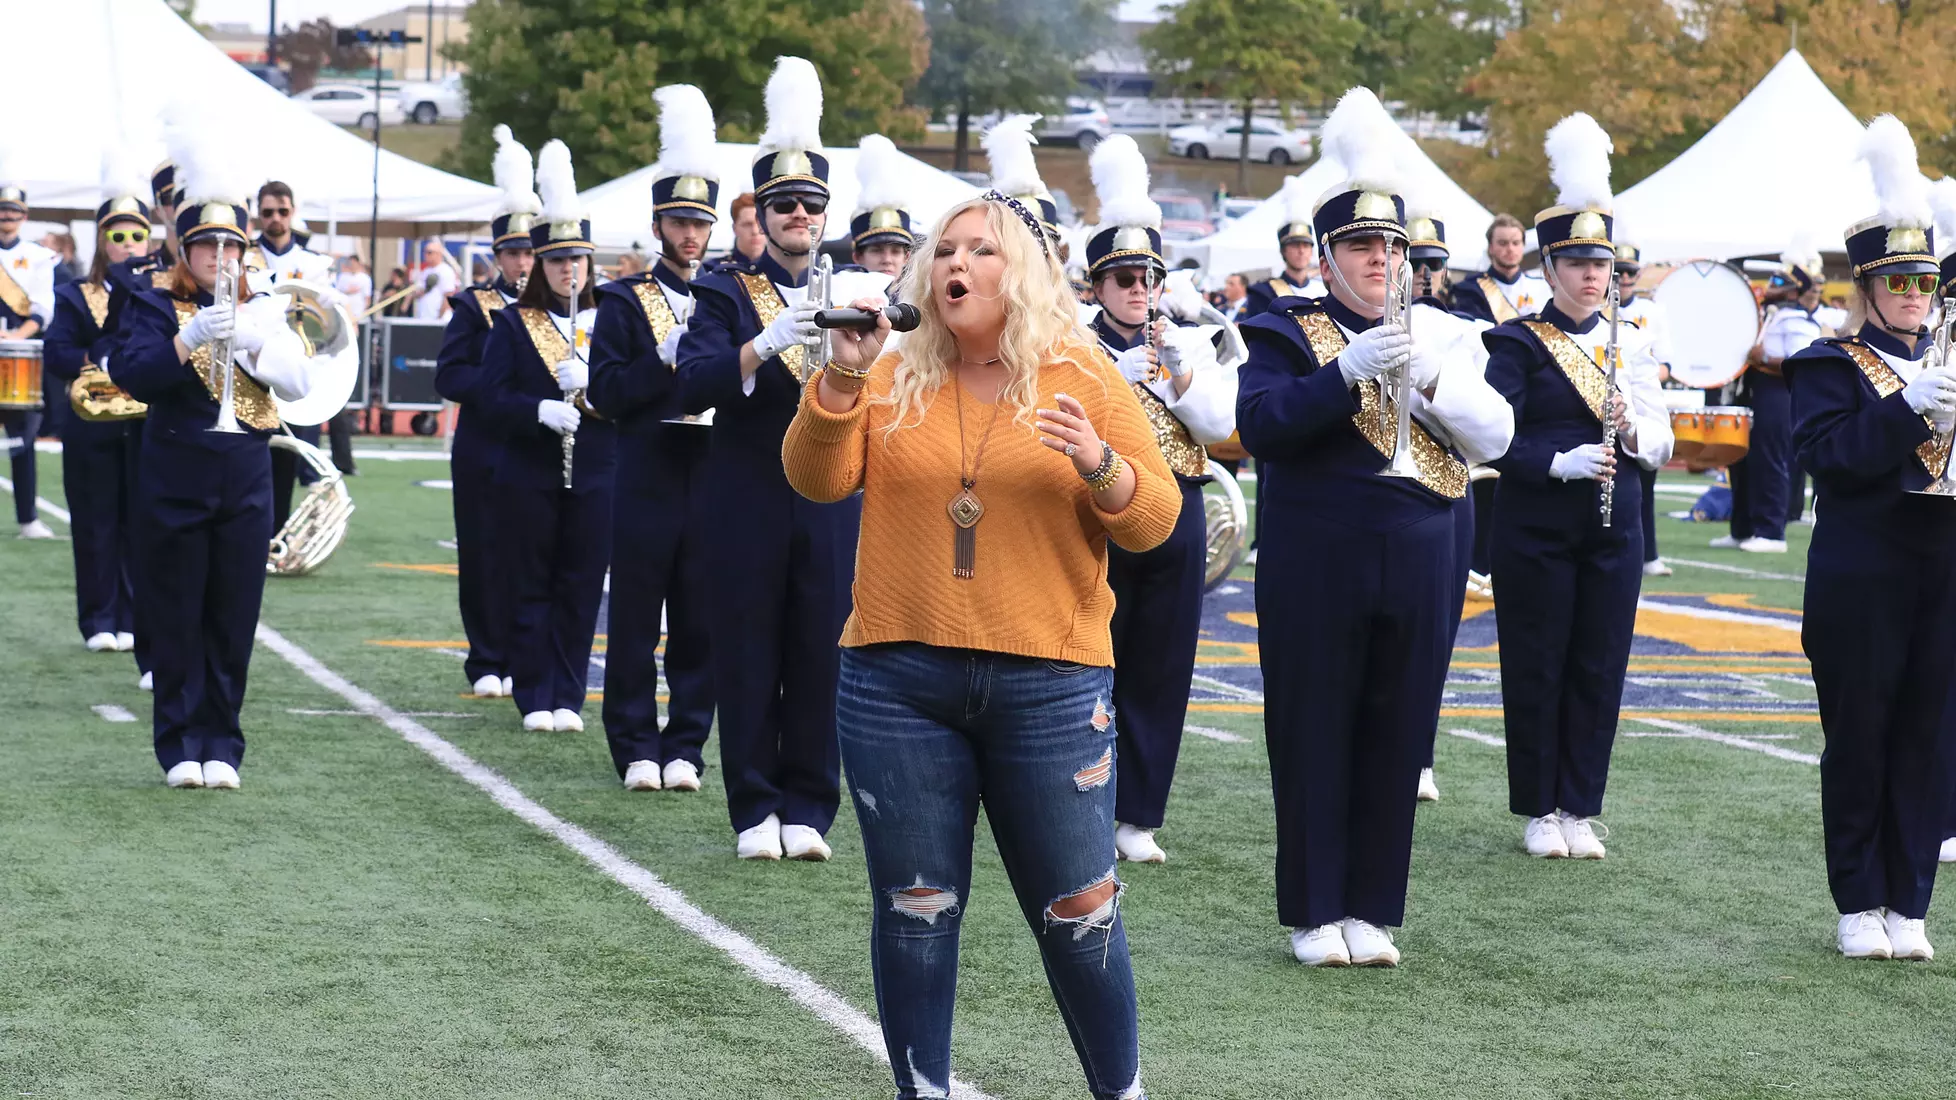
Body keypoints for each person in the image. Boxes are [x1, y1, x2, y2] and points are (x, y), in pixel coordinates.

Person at [782, 188, 1178, 1100]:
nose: (958, 265)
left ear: (1027, 272)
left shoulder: (1084, 373)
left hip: (1050, 683)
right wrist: (840, 377)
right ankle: (921, 1089)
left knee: (1081, 912)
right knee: (917, 911)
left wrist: (1100, 465)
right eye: (947, 251)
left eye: (983, 252)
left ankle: (1121, 1091)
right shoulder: (886, 368)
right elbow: (815, 478)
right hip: (894, 679)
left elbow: (1153, 524)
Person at [1238, 88, 1513, 968]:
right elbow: (1263, 426)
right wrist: (1345, 373)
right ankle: (1316, 911)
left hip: (1426, 552)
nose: (1380, 260)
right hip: (1319, 557)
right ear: (1326, 258)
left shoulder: (1446, 332)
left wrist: (1433, 378)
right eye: (1361, 246)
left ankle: (1372, 908)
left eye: (1392, 246)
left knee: (1400, 730)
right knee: (1317, 724)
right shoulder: (1280, 328)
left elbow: (1498, 434)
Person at [676, 57, 859, 862]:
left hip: (831, 502)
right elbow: (692, 383)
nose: (796, 215)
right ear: (762, 212)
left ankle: (809, 809)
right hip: (746, 494)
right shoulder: (721, 291)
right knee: (748, 650)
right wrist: (766, 342)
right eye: (782, 204)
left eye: (809, 205)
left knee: (823, 653)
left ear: (823, 215)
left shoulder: (853, 287)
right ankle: (754, 807)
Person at [1482, 114, 1673, 863]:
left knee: (1599, 664)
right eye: (1579, 263)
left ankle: (1579, 806)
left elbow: (1661, 444)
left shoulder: (1636, 341)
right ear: (1550, 267)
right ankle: (1538, 807)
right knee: (1537, 662)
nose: (1594, 276)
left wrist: (1628, 430)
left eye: (1602, 264)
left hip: (1613, 527)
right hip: (1534, 528)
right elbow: (1493, 435)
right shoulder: (1517, 342)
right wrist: (1556, 462)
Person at [1787, 116, 1953, 961]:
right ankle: (1859, 899)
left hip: (1944, 568)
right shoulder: (1829, 364)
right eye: (1898, 281)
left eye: (1926, 279)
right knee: (1861, 735)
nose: (1916, 294)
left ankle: (1910, 901)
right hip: (1863, 570)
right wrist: (1912, 404)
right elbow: (1834, 460)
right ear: (1867, 286)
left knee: (1931, 735)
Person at [113, 122, 318, 790]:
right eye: (207, 245)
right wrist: (191, 336)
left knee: (231, 620)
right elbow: (133, 373)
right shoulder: (150, 300)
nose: (220, 255)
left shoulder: (262, 302)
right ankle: (178, 745)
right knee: (176, 618)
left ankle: (222, 744)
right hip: (174, 477)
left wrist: (261, 339)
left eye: (231, 244)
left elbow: (298, 385)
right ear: (185, 247)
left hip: (244, 482)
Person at [1082, 135, 1237, 864]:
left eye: (1147, 275)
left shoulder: (1191, 344)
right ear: (1097, 286)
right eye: (1123, 277)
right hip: (1097, 518)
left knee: (1163, 664)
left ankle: (1138, 814)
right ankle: (1081, 799)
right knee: (1093, 662)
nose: (1138, 288)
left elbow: (1220, 428)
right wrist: (1115, 369)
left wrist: (1178, 372)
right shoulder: (1075, 348)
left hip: (1178, 511)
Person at [587, 84, 721, 794]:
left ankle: (687, 745)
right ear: (659, 223)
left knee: (700, 622)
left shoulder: (731, 295)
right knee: (637, 621)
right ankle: (636, 743)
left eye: (699, 222)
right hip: (644, 471)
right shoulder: (621, 300)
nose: (690, 235)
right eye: (678, 221)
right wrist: (661, 356)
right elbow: (605, 394)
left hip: (710, 471)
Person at [475, 139, 614, 733]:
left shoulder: (608, 319)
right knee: (533, 584)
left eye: (577, 260)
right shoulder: (513, 322)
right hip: (530, 473)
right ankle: (535, 692)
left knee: (582, 587)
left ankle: (569, 692)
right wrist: (537, 409)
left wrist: (598, 387)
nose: (568, 270)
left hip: (595, 471)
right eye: (557, 261)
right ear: (540, 264)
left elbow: (631, 396)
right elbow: (487, 395)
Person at [433, 123, 538, 702]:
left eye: (530, 250)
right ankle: (486, 656)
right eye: (514, 252)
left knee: (531, 554)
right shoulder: (475, 306)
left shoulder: (568, 309)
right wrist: (501, 392)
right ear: (497, 255)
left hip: (537, 449)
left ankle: (524, 653)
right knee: (482, 553)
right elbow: (448, 374)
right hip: (484, 447)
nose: (523, 261)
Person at [1403, 199, 1498, 804]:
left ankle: (1419, 755)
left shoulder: (1465, 329)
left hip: (1443, 485)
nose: (1419, 272)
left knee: (1434, 630)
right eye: (1410, 259)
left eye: (1430, 263)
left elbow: (1487, 423)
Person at [42, 155, 153, 662]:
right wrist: (101, 356)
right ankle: (98, 618)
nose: (128, 246)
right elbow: (57, 351)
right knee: (94, 523)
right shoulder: (74, 294)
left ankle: (131, 618)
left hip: (145, 426)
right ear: (101, 242)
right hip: (91, 426)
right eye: (117, 237)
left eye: (136, 237)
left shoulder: (159, 293)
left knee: (139, 522)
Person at [1715, 243, 1823, 555]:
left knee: (1769, 461)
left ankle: (1771, 532)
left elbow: (1801, 360)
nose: (1770, 286)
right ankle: (1743, 528)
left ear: (1793, 290)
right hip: (1752, 392)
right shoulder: (1772, 316)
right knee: (1742, 462)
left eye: (1778, 281)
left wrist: (1764, 358)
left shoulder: (1797, 320)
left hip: (1777, 395)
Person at [254, 181, 339, 530]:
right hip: (256, 370)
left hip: (298, 367)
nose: (276, 219)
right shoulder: (244, 256)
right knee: (260, 458)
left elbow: (333, 327)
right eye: (268, 212)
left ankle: (282, 533)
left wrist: (337, 311)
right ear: (258, 214)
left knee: (297, 456)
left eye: (283, 211)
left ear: (293, 212)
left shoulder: (314, 264)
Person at [1611, 241, 1677, 575]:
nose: (1623, 278)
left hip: (1639, 402)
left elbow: (1666, 364)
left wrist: (1641, 374)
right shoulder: (1597, 307)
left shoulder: (1652, 313)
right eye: (1618, 271)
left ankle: (1648, 553)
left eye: (1630, 272)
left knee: (1644, 481)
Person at [0, 174, 59, 539]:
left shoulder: (38, 257)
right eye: (2, 211)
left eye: (13, 212)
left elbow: (43, 307)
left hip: (17, 354)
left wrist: (14, 335)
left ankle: (27, 518)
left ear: (24, 216)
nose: (7, 218)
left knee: (22, 438)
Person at [1240, 175, 1324, 320]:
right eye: (1295, 245)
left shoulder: (1323, 291)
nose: (1301, 251)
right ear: (1283, 251)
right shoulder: (1265, 293)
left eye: (1306, 245)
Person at [1450, 213, 1549, 324]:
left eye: (1516, 243)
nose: (1510, 249)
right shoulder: (1471, 289)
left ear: (1523, 246)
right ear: (1491, 247)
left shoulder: (1543, 286)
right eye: (1503, 243)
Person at [845, 134, 915, 278]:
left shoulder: (920, 300)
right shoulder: (840, 297)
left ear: (906, 258)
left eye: (895, 251)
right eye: (877, 250)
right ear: (858, 257)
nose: (887, 260)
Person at [411, 240, 459, 321]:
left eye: (429, 252)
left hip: (440, 319)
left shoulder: (445, 270)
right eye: (425, 252)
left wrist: (439, 318)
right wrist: (424, 289)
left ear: (438, 254)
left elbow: (448, 296)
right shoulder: (426, 271)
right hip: (424, 317)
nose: (426, 255)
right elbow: (418, 293)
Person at [728, 191, 766, 268]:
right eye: (747, 225)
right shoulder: (713, 270)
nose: (755, 231)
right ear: (735, 229)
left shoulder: (785, 269)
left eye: (760, 223)